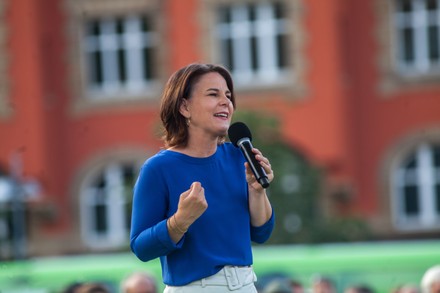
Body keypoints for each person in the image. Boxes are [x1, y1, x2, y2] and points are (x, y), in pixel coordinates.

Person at [130, 63, 275, 292]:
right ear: (184, 107)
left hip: (246, 284)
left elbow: (262, 232)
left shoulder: (239, 156)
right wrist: (180, 221)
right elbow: (141, 247)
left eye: (228, 95)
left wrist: (258, 191)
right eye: (213, 94)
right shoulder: (158, 168)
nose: (225, 102)